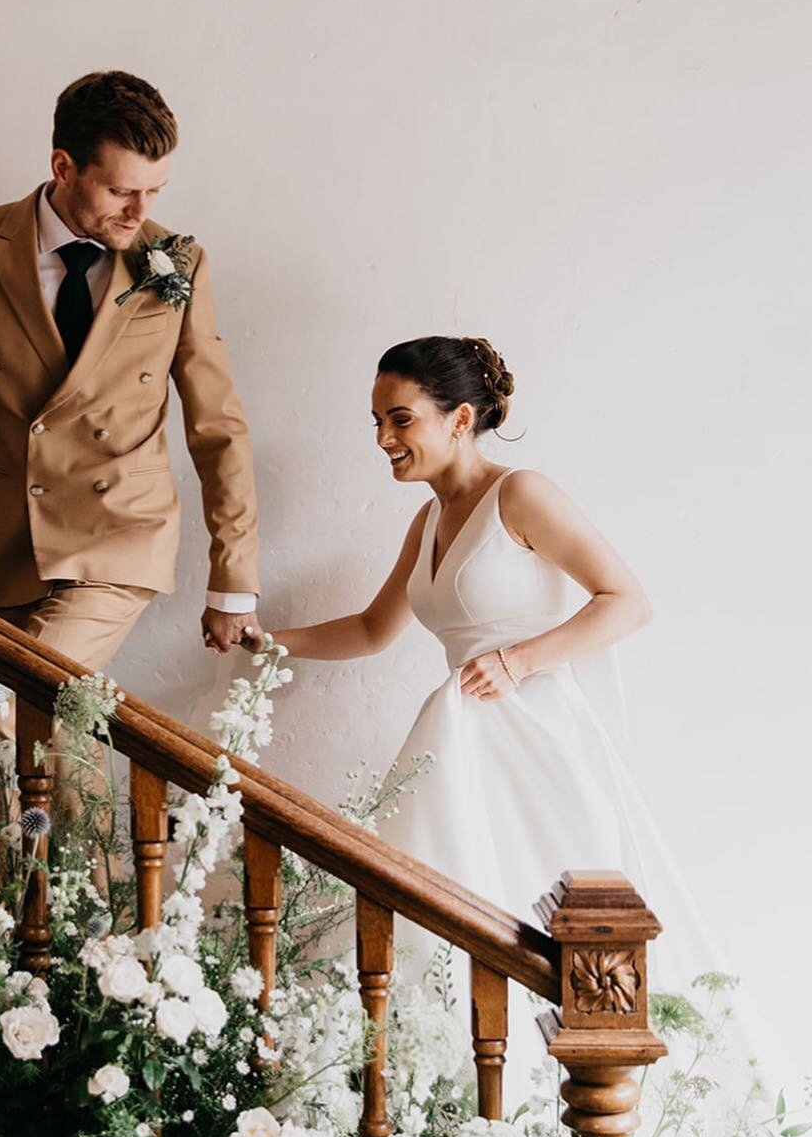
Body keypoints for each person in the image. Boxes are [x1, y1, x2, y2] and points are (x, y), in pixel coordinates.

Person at [272, 335, 688, 990]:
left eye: (400, 418)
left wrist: (519, 660)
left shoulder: (522, 494)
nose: (383, 438)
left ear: (460, 419)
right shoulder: (428, 519)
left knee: (553, 906)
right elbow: (373, 627)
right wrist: (269, 643)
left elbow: (629, 601)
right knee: (442, 899)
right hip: (461, 734)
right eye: (377, 422)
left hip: (536, 730)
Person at [0, 71, 262, 685]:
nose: (141, 213)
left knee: (10, 706)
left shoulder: (177, 261)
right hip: (4, 539)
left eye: (155, 191)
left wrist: (233, 580)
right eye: (121, 192)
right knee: (11, 741)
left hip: (120, 534)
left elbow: (218, 426)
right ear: (63, 166)